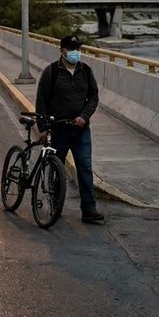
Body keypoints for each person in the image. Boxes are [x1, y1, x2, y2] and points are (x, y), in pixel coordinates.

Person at [35, 34, 105, 225]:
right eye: (72, 50)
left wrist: (84, 116)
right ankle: (55, 205)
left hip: (81, 129)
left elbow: (93, 97)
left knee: (85, 168)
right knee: (57, 168)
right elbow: (41, 101)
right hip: (59, 129)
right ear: (62, 51)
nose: (76, 53)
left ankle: (89, 209)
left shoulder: (86, 71)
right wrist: (43, 128)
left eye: (78, 49)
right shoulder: (51, 72)